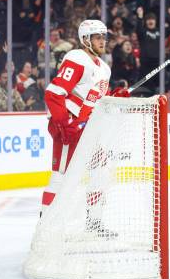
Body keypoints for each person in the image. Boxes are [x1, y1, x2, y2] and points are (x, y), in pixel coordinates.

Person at [42, 19, 128, 237]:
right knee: (60, 177)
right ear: (85, 39)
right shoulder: (77, 58)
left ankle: (94, 222)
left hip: (88, 131)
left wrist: (114, 97)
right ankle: (46, 229)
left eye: (103, 37)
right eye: (97, 37)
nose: (102, 41)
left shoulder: (104, 69)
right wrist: (65, 123)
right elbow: (54, 94)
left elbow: (95, 101)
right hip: (69, 129)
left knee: (100, 171)